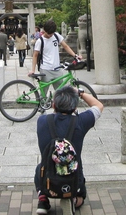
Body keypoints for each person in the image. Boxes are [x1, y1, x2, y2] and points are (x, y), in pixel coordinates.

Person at [34, 86, 103, 214]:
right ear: (75, 107)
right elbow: (98, 105)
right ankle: (73, 198)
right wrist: (80, 93)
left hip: (47, 178)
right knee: (81, 198)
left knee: (40, 167)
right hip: (73, 176)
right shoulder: (80, 122)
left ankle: (43, 199)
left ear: (54, 105)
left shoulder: (42, 121)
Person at [28, 20, 79, 86]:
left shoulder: (56, 36)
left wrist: (75, 55)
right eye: (48, 33)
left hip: (57, 69)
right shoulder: (40, 41)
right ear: (44, 30)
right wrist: (33, 70)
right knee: (44, 93)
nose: (50, 35)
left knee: (60, 91)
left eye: (52, 33)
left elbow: (65, 46)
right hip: (45, 69)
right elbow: (35, 55)